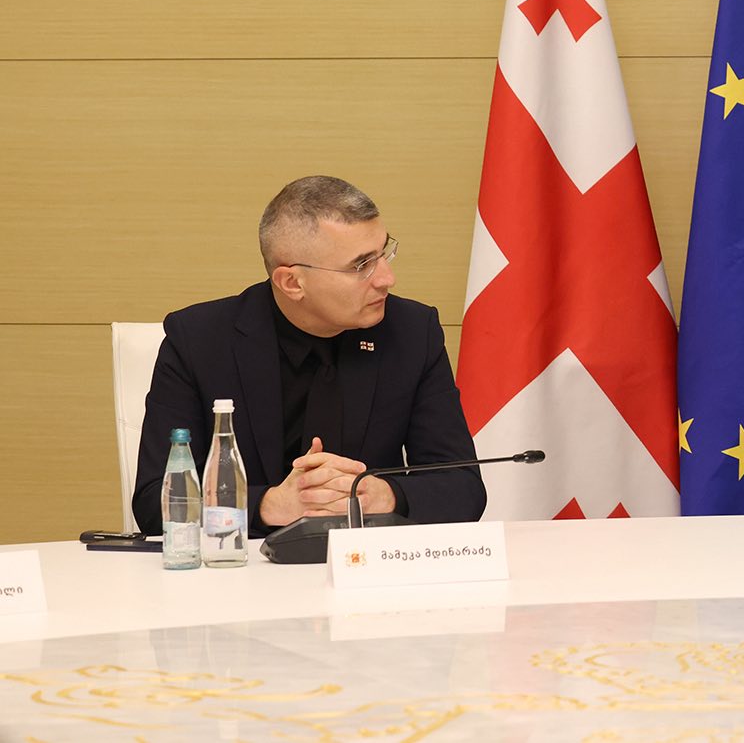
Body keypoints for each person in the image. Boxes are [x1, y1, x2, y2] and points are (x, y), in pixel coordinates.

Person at [131, 176, 486, 535]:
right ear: (292, 283)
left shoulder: (412, 332)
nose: (386, 278)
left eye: (383, 253)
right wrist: (268, 505)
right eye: (362, 265)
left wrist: (385, 496)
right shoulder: (199, 341)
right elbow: (154, 501)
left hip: (366, 561)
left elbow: (464, 487)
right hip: (243, 562)